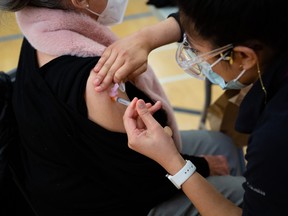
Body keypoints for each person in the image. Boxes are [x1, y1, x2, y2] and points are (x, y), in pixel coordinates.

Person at [0, 0, 244, 215]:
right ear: (79, 0)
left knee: (222, 144)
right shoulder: (99, 83)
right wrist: (200, 165)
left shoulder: (40, 33)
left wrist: (147, 37)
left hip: (80, 175)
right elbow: (140, 181)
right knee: (239, 191)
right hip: (113, 198)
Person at [106, 0, 288, 215]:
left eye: (198, 51)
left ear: (245, 56)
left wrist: (174, 162)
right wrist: (145, 38)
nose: (196, 59)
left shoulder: (275, 135)